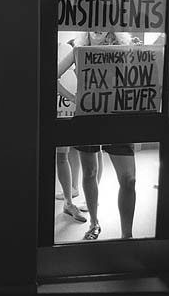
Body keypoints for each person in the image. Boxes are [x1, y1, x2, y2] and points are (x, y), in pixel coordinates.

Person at [57, 31, 138, 240]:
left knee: (129, 179)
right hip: (89, 117)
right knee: (90, 171)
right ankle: (94, 223)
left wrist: (137, 53)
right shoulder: (78, 50)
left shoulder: (125, 47)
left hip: (119, 117)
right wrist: (74, 99)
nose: (98, 27)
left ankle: (127, 236)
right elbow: (52, 76)